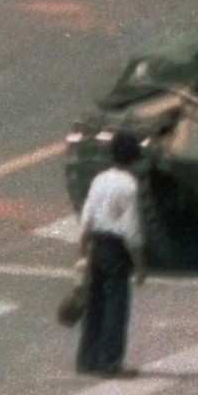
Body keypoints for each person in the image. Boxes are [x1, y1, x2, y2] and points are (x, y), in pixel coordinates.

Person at [75, 131, 147, 376]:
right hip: (117, 249)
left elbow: (87, 216)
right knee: (116, 304)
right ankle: (110, 361)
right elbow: (132, 230)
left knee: (95, 303)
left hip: (97, 244)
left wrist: (83, 249)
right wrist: (139, 265)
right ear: (134, 158)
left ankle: (87, 358)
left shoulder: (100, 179)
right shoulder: (129, 185)